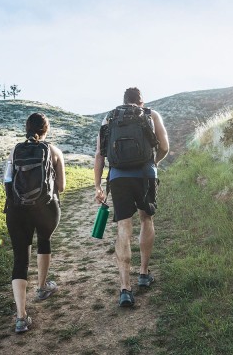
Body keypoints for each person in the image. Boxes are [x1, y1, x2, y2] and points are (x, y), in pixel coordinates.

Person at [93, 87, 169, 307]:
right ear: (141, 102)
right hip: (145, 174)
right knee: (146, 218)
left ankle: (125, 288)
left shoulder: (109, 117)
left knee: (123, 227)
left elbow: (99, 154)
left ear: (124, 101)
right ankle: (144, 274)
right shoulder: (150, 115)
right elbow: (164, 146)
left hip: (118, 177)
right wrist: (154, 163)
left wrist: (98, 185)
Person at [4, 112, 66, 333]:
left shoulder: (15, 150)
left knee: (20, 258)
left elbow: (8, 181)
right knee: (44, 239)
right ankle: (41, 287)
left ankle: (21, 317)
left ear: (27, 128)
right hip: (46, 208)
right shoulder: (54, 151)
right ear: (46, 130)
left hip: (16, 210)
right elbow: (61, 185)